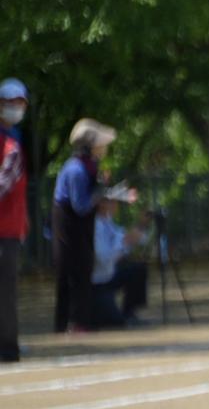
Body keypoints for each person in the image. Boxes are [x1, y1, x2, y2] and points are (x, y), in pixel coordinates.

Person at [52, 120, 118, 333]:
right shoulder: (76, 170)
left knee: (81, 273)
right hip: (70, 230)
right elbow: (80, 206)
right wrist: (99, 192)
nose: (104, 148)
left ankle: (78, 322)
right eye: (100, 144)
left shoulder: (87, 167)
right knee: (73, 275)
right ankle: (72, 323)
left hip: (79, 231)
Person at [89, 192, 149, 326]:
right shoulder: (94, 226)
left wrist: (141, 225)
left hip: (108, 275)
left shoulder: (108, 221)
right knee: (115, 323)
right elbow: (103, 259)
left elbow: (135, 239)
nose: (116, 205)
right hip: (97, 283)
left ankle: (130, 312)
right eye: (112, 201)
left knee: (138, 269)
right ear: (102, 204)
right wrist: (125, 243)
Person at [0, 78, 27, 362]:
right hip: (4, 229)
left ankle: (8, 346)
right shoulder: (11, 144)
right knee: (5, 291)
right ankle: (7, 347)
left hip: (9, 228)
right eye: (9, 103)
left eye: (20, 103)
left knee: (7, 290)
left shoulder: (13, 140)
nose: (15, 108)